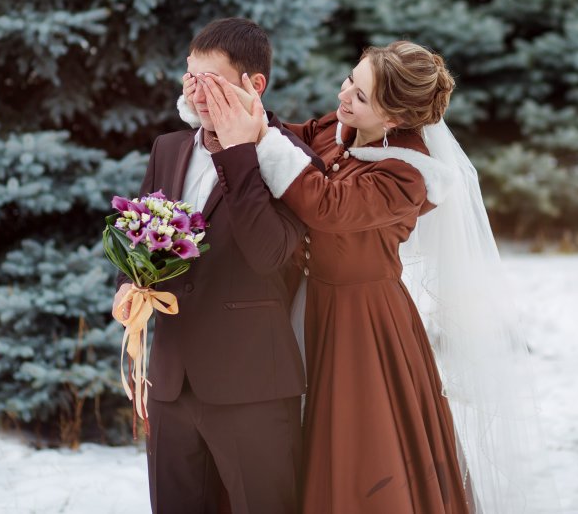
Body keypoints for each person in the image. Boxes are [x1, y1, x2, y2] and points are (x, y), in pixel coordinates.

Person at [189, 41, 556, 513]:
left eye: (361, 96)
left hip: (360, 322)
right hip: (300, 300)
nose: (343, 96)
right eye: (350, 79)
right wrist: (232, 104)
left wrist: (257, 137)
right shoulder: (338, 128)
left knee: (357, 446)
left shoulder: (405, 177)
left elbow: (327, 206)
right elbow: (286, 137)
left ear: (395, 118)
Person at [113, 18, 321, 514]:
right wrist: (128, 284)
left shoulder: (289, 159)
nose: (196, 92)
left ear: (255, 85)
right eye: (190, 76)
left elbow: (269, 254)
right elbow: (137, 235)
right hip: (170, 383)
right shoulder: (168, 148)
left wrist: (238, 152)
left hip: (251, 383)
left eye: (211, 80)